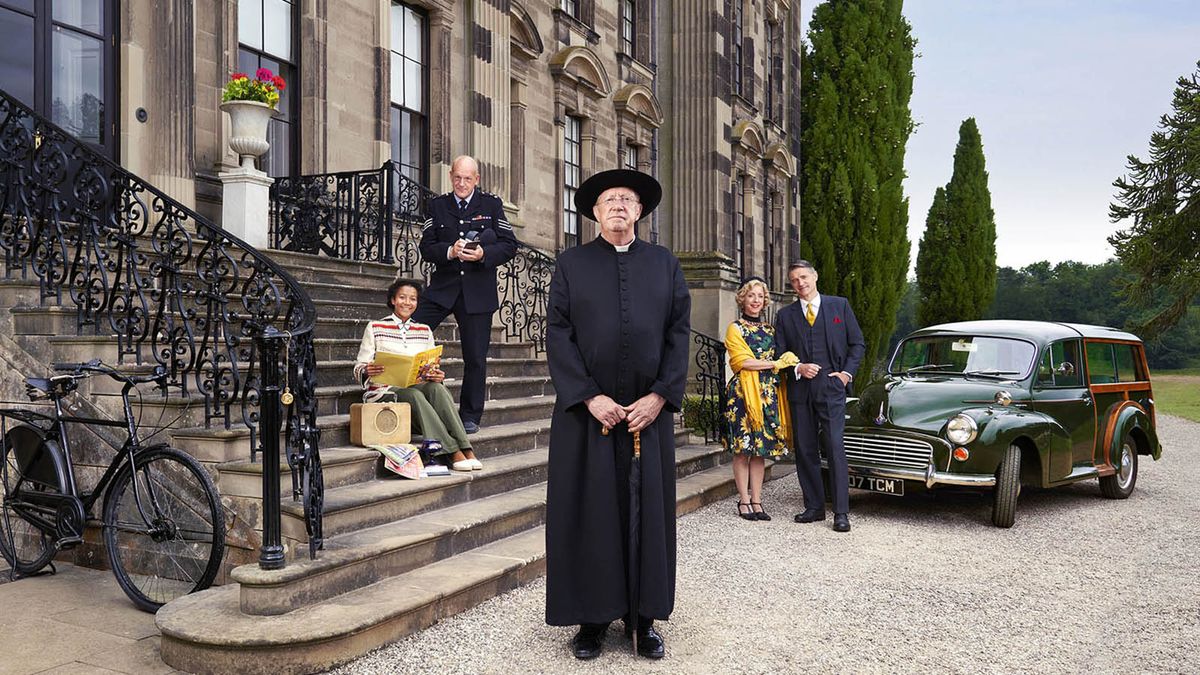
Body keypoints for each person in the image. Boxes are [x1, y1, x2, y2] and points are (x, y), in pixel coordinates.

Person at [544, 169, 691, 661]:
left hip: (647, 416)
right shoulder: (571, 264)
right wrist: (589, 396)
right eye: (609, 200)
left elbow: (678, 333)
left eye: (627, 200)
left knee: (646, 514)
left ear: (641, 211)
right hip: (589, 417)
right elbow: (559, 333)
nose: (619, 206)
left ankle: (643, 619)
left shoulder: (665, 265)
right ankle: (591, 620)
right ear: (594, 212)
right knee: (589, 513)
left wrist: (660, 397)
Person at [414, 155, 518, 434]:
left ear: (477, 180)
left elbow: (510, 246)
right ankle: (404, 398)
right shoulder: (437, 205)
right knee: (411, 332)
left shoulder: (492, 206)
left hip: (477, 292)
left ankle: (470, 415)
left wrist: (484, 254)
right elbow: (427, 247)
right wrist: (449, 251)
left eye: (467, 178)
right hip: (443, 289)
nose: (462, 183)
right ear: (451, 176)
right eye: (457, 177)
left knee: (475, 358)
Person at [354, 278, 482, 472]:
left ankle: (466, 447)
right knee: (414, 394)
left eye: (412, 299)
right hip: (384, 390)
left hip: (416, 386)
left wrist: (436, 374)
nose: (407, 302)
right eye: (402, 297)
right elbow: (360, 365)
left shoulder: (424, 330)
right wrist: (366, 370)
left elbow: (431, 365)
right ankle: (451, 450)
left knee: (436, 388)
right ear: (393, 300)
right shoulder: (375, 327)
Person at [774, 261, 864, 533]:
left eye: (803, 277)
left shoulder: (840, 306)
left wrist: (846, 374)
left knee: (835, 446)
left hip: (832, 388)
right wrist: (798, 368)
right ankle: (814, 507)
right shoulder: (785, 315)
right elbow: (779, 353)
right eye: (793, 280)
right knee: (805, 449)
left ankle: (841, 512)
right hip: (801, 391)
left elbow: (857, 343)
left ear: (814, 276)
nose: (800, 283)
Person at [723, 277, 796, 522]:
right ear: (742, 298)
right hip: (743, 394)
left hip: (767, 394)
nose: (756, 300)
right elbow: (741, 362)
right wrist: (774, 363)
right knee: (743, 449)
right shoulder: (735, 328)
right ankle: (743, 501)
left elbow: (784, 354)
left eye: (760, 296)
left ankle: (757, 500)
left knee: (759, 451)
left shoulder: (771, 331)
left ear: (765, 301)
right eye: (751, 295)